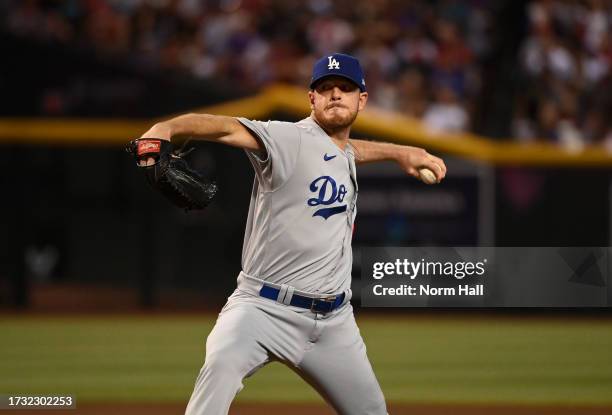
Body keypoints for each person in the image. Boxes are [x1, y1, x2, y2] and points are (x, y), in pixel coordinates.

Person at [139, 53, 446, 415]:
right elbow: (223, 127)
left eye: (345, 88)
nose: (335, 94)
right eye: (325, 88)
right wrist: (164, 129)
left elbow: (347, 150)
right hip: (262, 311)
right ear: (311, 98)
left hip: (334, 324)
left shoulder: (339, 151)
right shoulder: (287, 138)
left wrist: (401, 152)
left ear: (361, 99)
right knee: (213, 386)